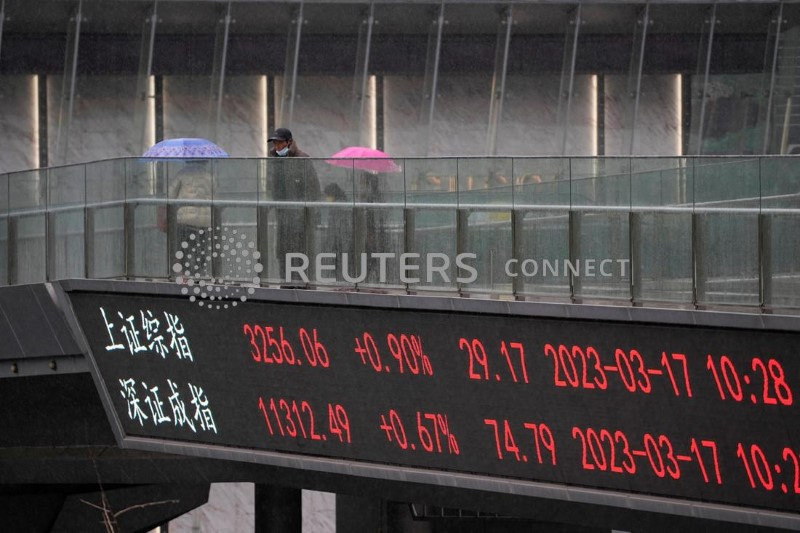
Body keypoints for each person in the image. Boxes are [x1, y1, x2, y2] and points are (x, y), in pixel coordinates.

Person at [267, 127, 321, 283]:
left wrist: (309, 212)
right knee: (282, 252)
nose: (277, 147)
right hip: (282, 217)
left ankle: (302, 285)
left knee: (299, 252)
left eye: (280, 143)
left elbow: (314, 188)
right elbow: (273, 187)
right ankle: (286, 283)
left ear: (289, 142)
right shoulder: (273, 159)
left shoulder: (302, 159)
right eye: (275, 143)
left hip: (299, 218)